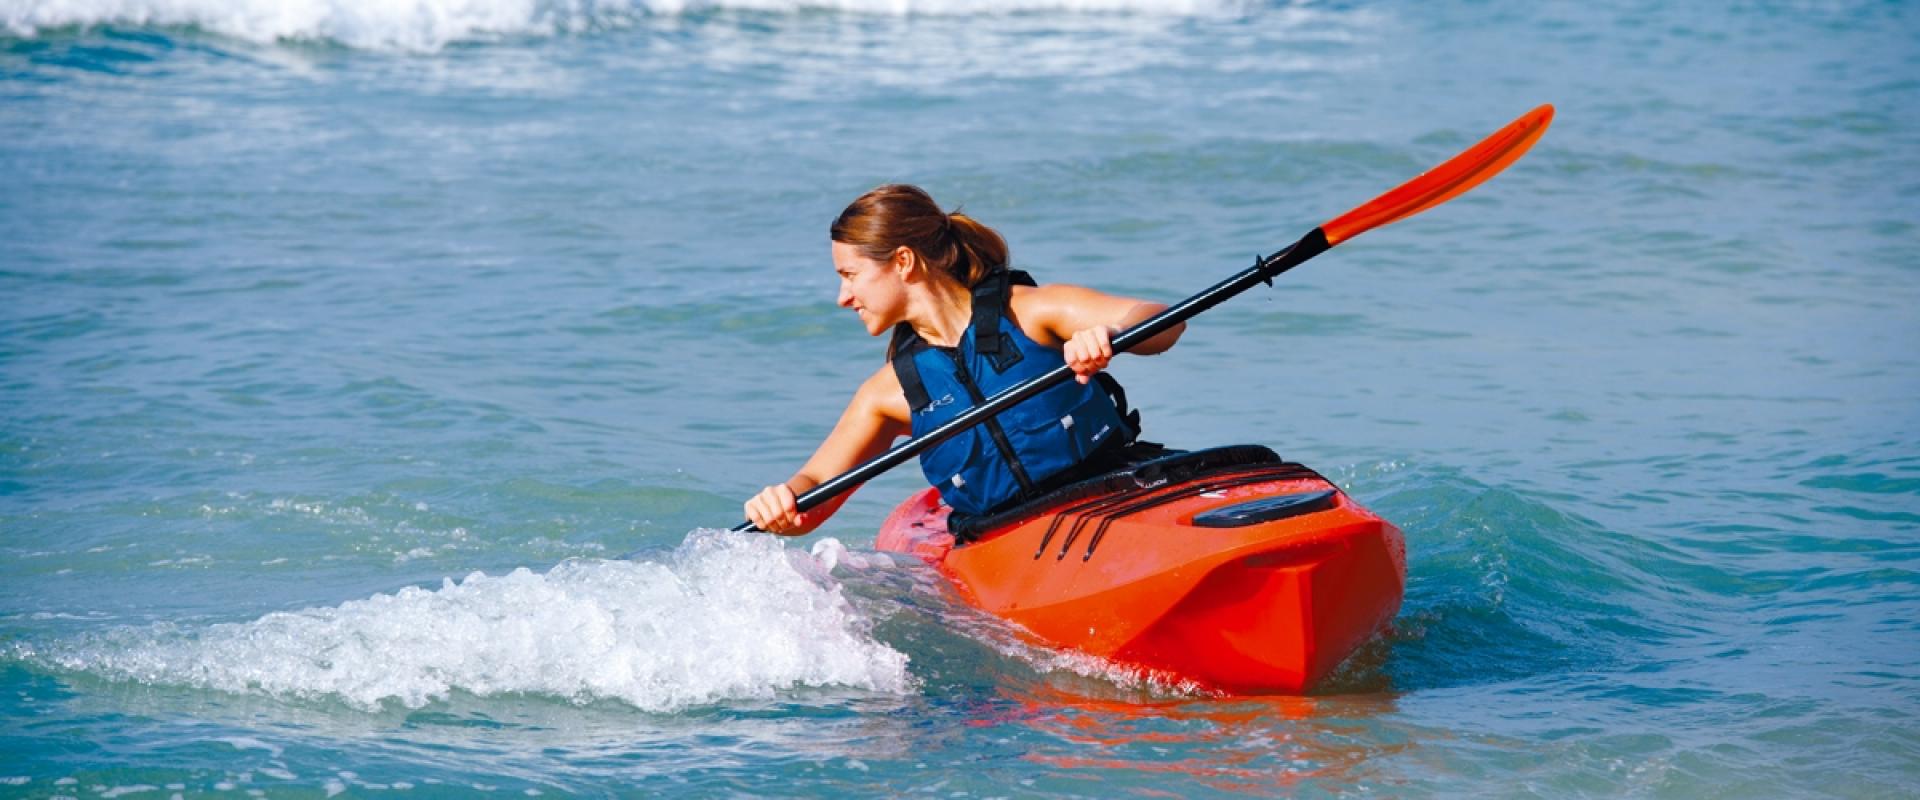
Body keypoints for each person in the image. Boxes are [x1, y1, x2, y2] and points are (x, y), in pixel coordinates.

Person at [743, 184, 1186, 536]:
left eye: (850, 276)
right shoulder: (888, 395)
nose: (843, 297)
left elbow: (1164, 323)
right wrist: (782, 502)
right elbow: (814, 489)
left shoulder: (1029, 312)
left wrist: (1112, 335)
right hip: (1008, 537)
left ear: (902, 261)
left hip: (1116, 492)